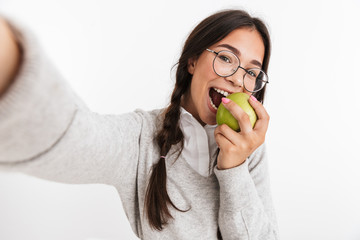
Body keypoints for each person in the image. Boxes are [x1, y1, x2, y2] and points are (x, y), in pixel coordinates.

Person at [0, 9, 279, 239]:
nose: (237, 79)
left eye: (252, 72)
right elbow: (72, 137)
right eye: (226, 57)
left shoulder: (248, 148)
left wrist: (234, 168)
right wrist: (13, 63)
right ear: (192, 61)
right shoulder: (141, 137)